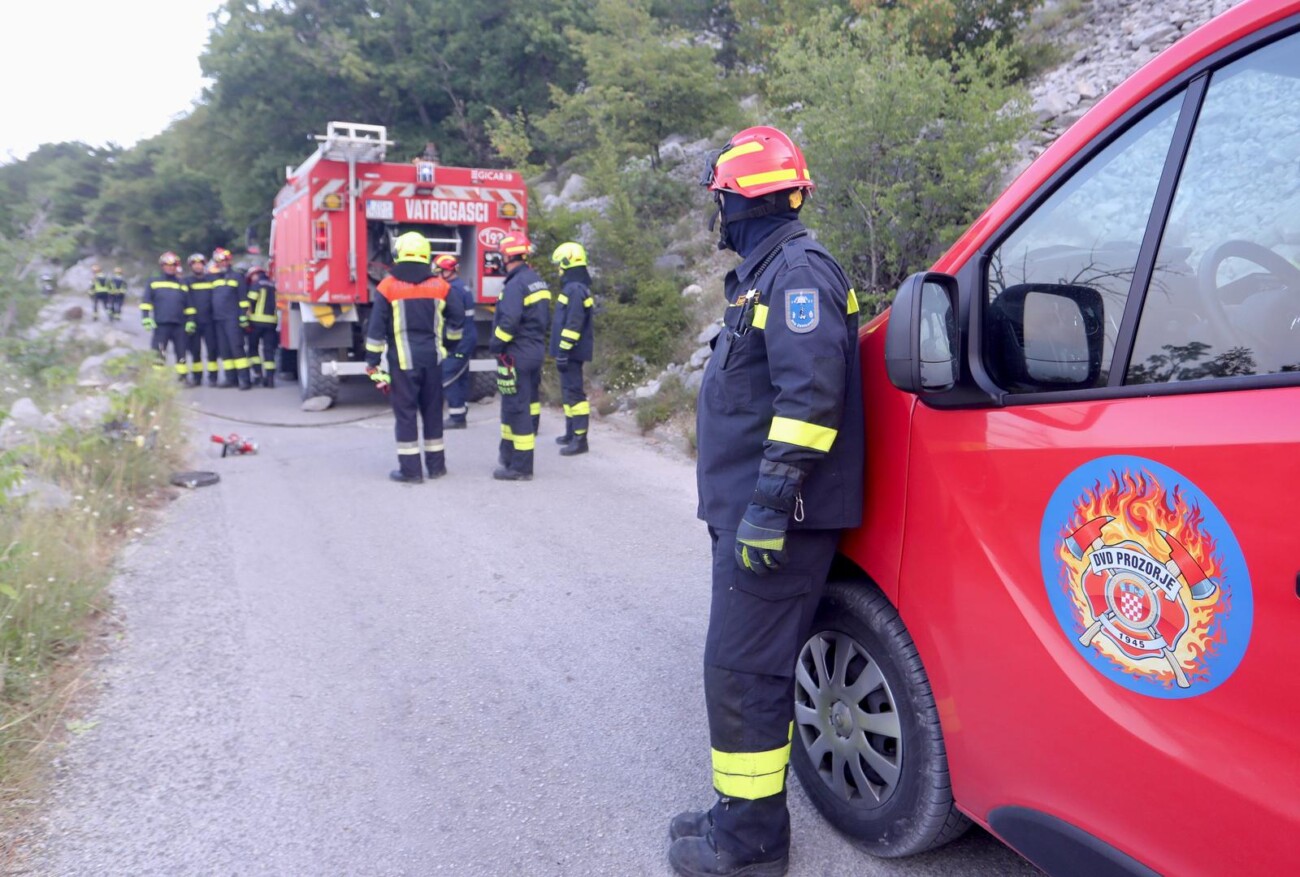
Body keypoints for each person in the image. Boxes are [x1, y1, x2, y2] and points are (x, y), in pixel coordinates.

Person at [669, 126, 864, 877]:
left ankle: (750, 845)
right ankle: (736, 814)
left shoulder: (798, 274)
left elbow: (809, 397)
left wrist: (770, 504)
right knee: (737, 667)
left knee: (744, 674)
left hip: (779, 520)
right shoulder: (768, 273)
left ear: (740, 203)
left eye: (720, 200)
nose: (717, 214)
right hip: (754, 511)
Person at [364, 231, 465, 484]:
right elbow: (458, 318)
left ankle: (411, 471)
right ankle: (436, 467)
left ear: (398, 254)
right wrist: (449, 344)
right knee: (433, 412)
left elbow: (376, 329)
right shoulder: (440, 286)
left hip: (403, 363)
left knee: (406, 415)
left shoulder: (387, 287)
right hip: (432, 361)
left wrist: (372, 362)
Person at [487, 232, 550, 481]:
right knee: (515, 404)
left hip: (517, 353)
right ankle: (509, 456)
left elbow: (509, 321)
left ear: (506, 256)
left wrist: (496, 344)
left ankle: (521, 467)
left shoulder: (515, 285)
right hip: (534, 351)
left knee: (516, 408)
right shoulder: (536, 280)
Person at [549, 242, 595, 456]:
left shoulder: (575, 290)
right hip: (570, 351)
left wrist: (564, 351)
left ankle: (580, 439)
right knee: (568, 392)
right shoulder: (574, 288)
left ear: (568, 262)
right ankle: (570, 432)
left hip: (572, 352)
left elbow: (573, 325)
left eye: (560, 264)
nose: (559, 268)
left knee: (575, 394)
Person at [140, 252, 197, 384]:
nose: (170, 268)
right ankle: (158, 380)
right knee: (159, 352)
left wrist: (191, 321)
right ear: (162, 266)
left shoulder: (182, 283)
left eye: (173, 265)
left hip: (180, 325)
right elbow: (146, 302)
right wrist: (145, 317)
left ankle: (183, 378)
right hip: (161, 324)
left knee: (181, 352)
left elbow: (189, 305)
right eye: (167, 265)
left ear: (177, 266)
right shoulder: (153, 282)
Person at [435, 254, 478, 428]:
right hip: (466, 337)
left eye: (440, 271)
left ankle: (456, 417)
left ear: (448, 271)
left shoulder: (452, 290)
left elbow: (454, 319)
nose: (438, 275)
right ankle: (461, 412)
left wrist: (448, 342)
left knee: (448, 375)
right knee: (461, 376)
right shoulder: (460, 286)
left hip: (460, 339)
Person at [208, 247, 252, 390]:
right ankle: (230, 379)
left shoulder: (237, 276)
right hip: (218, 319)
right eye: (219, 261)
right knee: (224, 350)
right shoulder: (214, 278)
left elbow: (243, 299)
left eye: (224, 260)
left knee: (237, 348)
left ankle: (245, 380)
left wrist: (243, 316)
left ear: (229, 261)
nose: (222, 263)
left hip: (232, 319)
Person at [183, 253, 219, 386]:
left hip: (210, 321)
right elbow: (184, 301)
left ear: (204, 265)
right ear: (191, 266)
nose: (198, 266)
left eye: (200, 264)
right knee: (195, 351)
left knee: (212, 350)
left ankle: (213, 378)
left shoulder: (211, 280)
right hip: (194, 322)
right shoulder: (186, 281)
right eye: (195, 264)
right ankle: (197, 378)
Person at [244, 266, 280, 388]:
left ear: (254, 275)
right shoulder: (273, 285)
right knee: (268, 350)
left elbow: (250, 301)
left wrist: (245, 317)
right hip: (272, 323)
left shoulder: (256, 284)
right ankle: (270, 380)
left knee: (253, 349)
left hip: (256, 322)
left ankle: (258, 374)